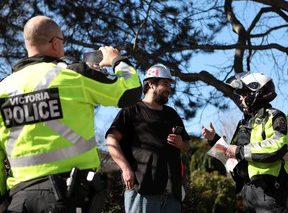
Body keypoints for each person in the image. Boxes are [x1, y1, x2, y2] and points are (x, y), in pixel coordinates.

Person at [0, 15, 142, 213]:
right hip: (68, 197)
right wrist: (117, 60)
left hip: (19, 201)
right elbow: (130, 91)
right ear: (55, 43)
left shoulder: (4, 88)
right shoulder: (73, 74)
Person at [105, 63, 190, 213]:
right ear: (151, 84)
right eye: (165, 84)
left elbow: (186, 146)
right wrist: (125, 169)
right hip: (141, 190)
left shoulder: (172, 114)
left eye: (170, 85)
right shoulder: (131, 109)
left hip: (172, 193)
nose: (169, 89)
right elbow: (111, 139)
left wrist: (181, 143)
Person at [202, 72, 288, 213]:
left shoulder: (275, 116)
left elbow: (276, 147)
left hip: (271, 191)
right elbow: (231, 155)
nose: (241, 99)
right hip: (248, 193)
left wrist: (238, 151)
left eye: (243, 95)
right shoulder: (244, 124)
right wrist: (214, 139)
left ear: (256, 93)